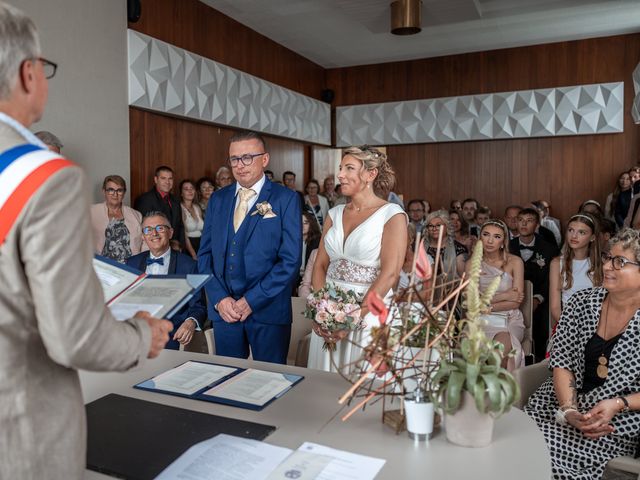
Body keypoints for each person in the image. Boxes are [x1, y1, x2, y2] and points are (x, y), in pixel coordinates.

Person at [0, 5, 171, 478]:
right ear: (28, 73)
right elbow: (72, 337)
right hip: (18, 430)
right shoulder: (40, 178)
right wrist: (142, 334)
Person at [525, 228, 640, 480]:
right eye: (608, 257)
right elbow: (562, 360)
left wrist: (619, 404)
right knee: (518, 449)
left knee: (541, 463)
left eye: (620, 261)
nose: (607, 266)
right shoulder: (581, 302)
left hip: (612, 425)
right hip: (556, 407)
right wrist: (568, 410)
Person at [198, 131, 301, 364]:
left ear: (264, 159)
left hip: (268, 310)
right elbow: (204, 255)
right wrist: (219, 298)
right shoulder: (218, 199)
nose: (240, 165)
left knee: (270, 382)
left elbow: (291, 261)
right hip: (225, 312)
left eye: (247, 157)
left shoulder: (286, 199)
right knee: (226, 380)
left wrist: (251, 300)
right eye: (234, 159)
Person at [308, 146, 407, 373]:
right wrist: (324, 311)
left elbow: (390, 274)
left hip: (370, 313)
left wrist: (351, 318)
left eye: (349, 168)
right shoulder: (334, 214)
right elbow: (321, 265)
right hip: (330, 310)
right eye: (340, 168)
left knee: (362, 388)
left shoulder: (392, 214)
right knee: (322, 387)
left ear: (370, 174)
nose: (340, 175)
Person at [127, 212, 206, 350]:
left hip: (170, 335)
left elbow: (198, 306)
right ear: (143, 236)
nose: (154, 233)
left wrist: (190, 322)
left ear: (170, 233)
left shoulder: (188, 265)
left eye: (160, 228)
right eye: (148, 230)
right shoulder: (132, 263)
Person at [471, 220, 525, 371]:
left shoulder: (515, 262)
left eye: (496, 236)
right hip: (480, 321)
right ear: (480, 237)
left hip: (509, 319)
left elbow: (516, 302)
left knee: (498, 354)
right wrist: (505, 295)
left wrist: (485, 304)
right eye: (486, 235)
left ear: (503, 241)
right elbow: (472, 304)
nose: (490, 240)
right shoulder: (472, 264)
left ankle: (503, 392)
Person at [509, 207, 559, 361]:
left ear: (537, 224)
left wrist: (538, 298)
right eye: (521, 220)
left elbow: (551, 280)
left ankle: (539, 362)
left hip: (541, 299)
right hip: (512, 299)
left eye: (529, 221)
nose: (524, 224)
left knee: (543, 322)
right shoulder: (508, 246)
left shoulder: (549, 248)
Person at [549, 213, 602, 329]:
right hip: (567, 324)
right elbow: (555, 307)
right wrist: (571, 328)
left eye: (581, 232)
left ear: (592, 237)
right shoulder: (557, 263)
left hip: (596, 325)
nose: (574, 236)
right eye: (571, 230)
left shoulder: (603, 264)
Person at [90, 174, 144, 263]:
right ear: (104, 191)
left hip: (130, 267)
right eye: (111, 190)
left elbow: (144, 242)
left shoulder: (136, 215)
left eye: (119, 190)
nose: (115, 194)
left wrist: (141, 262)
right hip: (101, 267)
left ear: (124, 192)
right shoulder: (91, 212)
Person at [134, 165, 185, 249]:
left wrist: (180, 246)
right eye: (163, 178)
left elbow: (180, 226)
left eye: (170, 179)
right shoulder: (144, 200)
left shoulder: (175, 200)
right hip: (155, 249)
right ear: (156, 180)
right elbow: (145, 229)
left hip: (176, 250)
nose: (167, 182)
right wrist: (169, 244)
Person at [424, 210, 466, 279]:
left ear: (447, 227)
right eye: (431, 226)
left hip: (451, 288)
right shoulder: (421, 247)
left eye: (438, 225)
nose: (434, 229)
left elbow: (464, 278)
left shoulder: (458, 249)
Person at [180, 179, 204, 259]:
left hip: (201, 244)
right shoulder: (180, 208)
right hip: (189, 246)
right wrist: (193, 254)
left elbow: (203, 231)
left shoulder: (197, 207)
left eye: (192, 188)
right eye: (186, 189)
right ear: (181, 193)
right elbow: (184, 234)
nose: (190, 191)